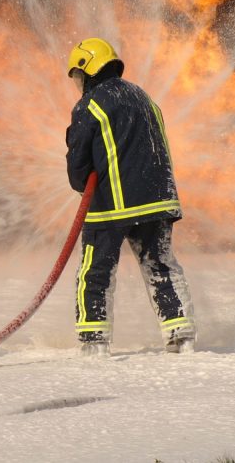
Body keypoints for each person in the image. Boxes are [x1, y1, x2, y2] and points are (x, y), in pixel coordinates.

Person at [64, 38, 196, 357]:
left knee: (95, 272)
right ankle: (181, 335)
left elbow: (78, 163)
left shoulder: (91, 105)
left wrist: (84, 186)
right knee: (161, 265)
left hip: (112, 206)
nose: (79, 85)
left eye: (78, 77)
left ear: (88, 69)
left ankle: (94, 340)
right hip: (159, 200)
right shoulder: (144, 98)